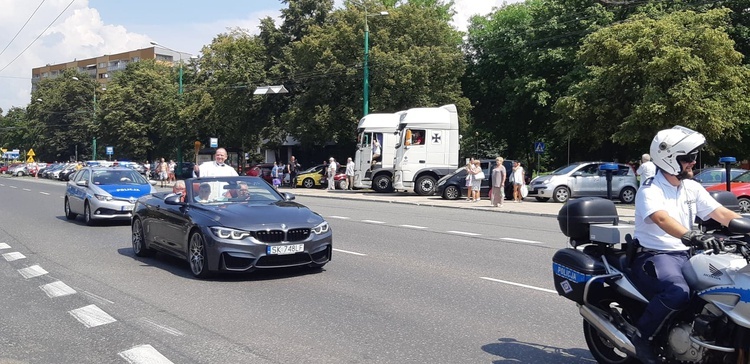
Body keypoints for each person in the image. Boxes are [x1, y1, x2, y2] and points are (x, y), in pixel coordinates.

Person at [629, 125, 745, 364]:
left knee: (720, 289)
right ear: (670, 159)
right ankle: (642, 337)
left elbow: (721, 213)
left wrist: (747, 226)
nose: (693, 162)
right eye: (688, 158)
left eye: (694, 157)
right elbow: (661, 218)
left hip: (688, 253)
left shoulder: (691, 187)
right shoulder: (650, 189)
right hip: (656, 255)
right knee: (677, 293)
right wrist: (690, 235)